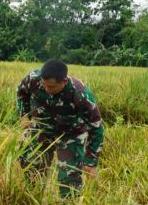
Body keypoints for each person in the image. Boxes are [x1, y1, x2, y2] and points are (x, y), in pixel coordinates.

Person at [17, 59, 104, 197]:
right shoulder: (33, 78)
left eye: (51, 87)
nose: (46, 89)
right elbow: (22, 94)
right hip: (42, 129)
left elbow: (96, 127)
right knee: (32, 169)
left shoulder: (81, 94)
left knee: (69, 178)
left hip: (70, 134)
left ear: (64, 81)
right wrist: (24, 116)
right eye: (44, 85)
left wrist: (91, 162)